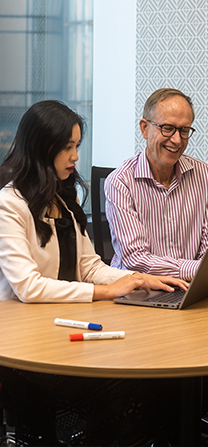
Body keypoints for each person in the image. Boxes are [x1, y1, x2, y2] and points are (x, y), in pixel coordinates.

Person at [0, 100, 188, 445]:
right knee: (127, 387)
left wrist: (135, 278)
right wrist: (106, 292)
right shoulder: (9, 204)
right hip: (25, 345)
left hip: (62, 327)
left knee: (145, 373)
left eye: (77, 147)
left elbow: (87, 266)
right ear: (43, 147)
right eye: (67, 147)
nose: (75, 157)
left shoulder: (62, 199)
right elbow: (28, 287)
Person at [105, 88, 208, 284]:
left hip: (192, 289)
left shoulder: (205, 176)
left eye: (184, 130)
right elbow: (136, 260)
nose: (177, 140)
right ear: (144, 128)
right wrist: (206, 267)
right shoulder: (120, 182)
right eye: (167, 128)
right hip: (138, 293)